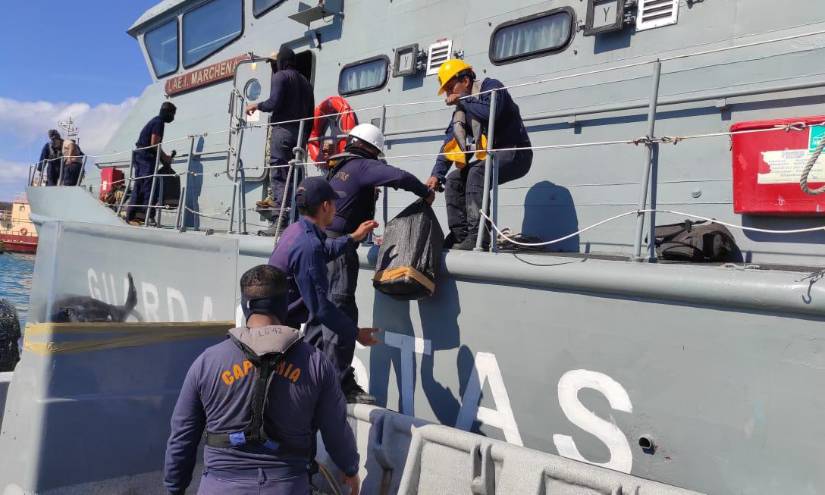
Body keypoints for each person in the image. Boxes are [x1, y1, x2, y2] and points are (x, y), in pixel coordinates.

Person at [164, 264, 361, 495]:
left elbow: (182, 437)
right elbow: (335, 429)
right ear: (283, 304)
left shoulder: (207, 363)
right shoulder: (316, 363)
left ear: (245, 305)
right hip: (288, 485)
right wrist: (350, 468)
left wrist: (173, 488)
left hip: (220, 486)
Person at [269, 177, 380, 403]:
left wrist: (351, 239)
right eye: (334, 202)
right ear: (326, 206)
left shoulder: (295, 230)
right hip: (278, 332)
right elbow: (320, 308)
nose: (336, 208)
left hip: (274, 321)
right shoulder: (308, 244)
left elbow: (323, 249)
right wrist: (357, 333)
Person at [324, 123, 434, 348]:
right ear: (372, 150)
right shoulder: (363, 166)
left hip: (323, 244)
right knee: (340, 305)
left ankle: (318, 373)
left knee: (323, 310)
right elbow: (401, 177)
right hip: (340, 249)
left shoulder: (338, 167)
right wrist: (426, 193)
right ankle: (339, 378)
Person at [425, 59, 533, 250]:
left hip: (517, 152)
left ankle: (479, 236)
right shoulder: (462, 111)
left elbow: (489, 113)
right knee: (454, 180)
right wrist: (436, 175)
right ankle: (461, 235)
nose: (449, 95)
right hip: (492, 157)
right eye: (447, 91)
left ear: (465, 81)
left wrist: (462, 100)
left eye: (450, 88)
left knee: (477, 172)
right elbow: (450, 144)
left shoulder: (492, 87)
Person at [246, 45, 315, 236]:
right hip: (300, 135)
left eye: (273, 63)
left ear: (281, 61)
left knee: (279, 175)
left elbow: (274, 102)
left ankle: (280, 223)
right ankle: (297, 221)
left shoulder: (280, 76)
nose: (272, 67)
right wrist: (304, 137)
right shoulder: (306, 82)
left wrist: (256, 105)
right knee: (296, 178)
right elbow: (311, 114)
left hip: (282, 132)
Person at [126, 102, 177, 226]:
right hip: (146, 157)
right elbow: (154, 143)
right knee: (149, 186)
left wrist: (163, 159)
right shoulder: (159, 122)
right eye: (173, 114)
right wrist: (165, 158)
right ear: (168, 112)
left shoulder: (154, 120)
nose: (173, 117)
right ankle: (146, 216)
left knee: (140, 185)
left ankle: (134, 216)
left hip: (141, 155)